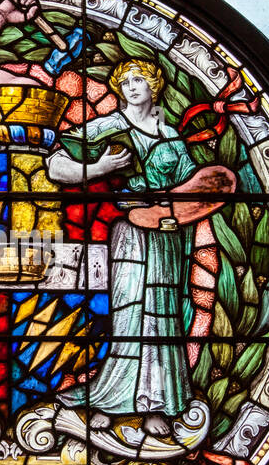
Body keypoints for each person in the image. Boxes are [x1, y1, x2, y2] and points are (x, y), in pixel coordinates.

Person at [46, 60, 197, 437]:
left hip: (165, 236)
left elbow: (193, 187)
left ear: (155, 86)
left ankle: (156, 403)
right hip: (128, 229)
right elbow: (55, 166)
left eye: (139, 80)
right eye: (124, 81)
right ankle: (111, 399)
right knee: (130, 314)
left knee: (161, 315)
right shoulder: (107, 127)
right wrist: (98, 168)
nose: (131, 87)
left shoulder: (171, 136)